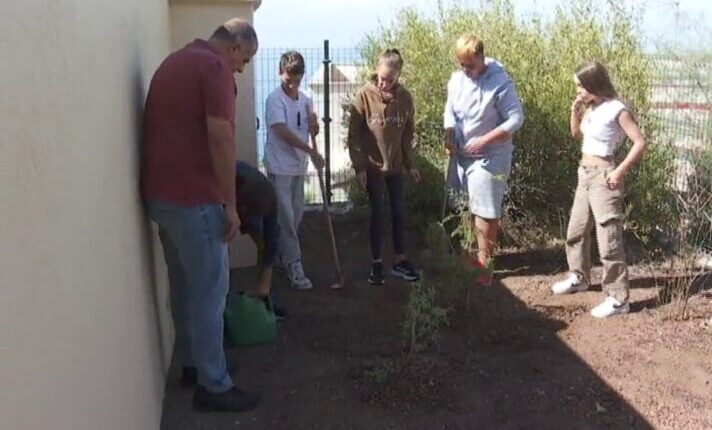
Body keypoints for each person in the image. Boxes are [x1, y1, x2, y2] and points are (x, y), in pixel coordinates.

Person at [141, 19, 260, 412]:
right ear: (234, 46)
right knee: (211, 291)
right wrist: (229, 203)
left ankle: (196, 363)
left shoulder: (174, 62)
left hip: (162, 198)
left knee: (185, 287)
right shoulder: (214, 69)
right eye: (243, 60)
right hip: (195, 202)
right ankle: (214, 384)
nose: (241, 69)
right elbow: (221, 136)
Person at [551, 61, 646, 318]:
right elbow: (576, 135)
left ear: (594, 84)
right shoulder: (591, 107)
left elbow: (639, 142)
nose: (578, 90)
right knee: (576, 230)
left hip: (605, 177)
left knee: (609, 240)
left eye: (581, 86)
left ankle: (618, 299)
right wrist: (575, 111)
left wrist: (618, 172)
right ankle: (578, 277)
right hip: (585, 174)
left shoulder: (617, 109)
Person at [443, 34, 525, 286]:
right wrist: (449, 130)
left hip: (490, 155)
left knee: (485, 210)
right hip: (460, 154)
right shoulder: (457, 80)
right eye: (462, 65)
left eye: (470, 65)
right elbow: (450, 109)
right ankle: (468, 257)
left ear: (481, 57)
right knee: (462, 205)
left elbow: (516, 118)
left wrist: (486, 139)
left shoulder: (499, 82)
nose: (466, 70)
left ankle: (484, 264)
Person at [347, 48, 422, 285]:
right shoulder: (364, 96)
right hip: (373, 167)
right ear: (376, 72)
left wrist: (411, 164)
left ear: (398, 76)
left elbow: (408, 134)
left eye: (390, 80)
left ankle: (400, 260)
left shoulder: (405, 98)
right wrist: (359, 167)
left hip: (396, 166)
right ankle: (376, 263)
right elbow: (354, 135)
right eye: (381, 78)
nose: (384, 84)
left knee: (399, 212)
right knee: (378, 214)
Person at [263, 51, 324, 290]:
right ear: (281, 73)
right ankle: (295, 265)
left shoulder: (306, 99)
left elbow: (312, 129)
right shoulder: (274, 100)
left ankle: (278, 254)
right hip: (280, 166)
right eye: (289, 80)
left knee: (296, 214)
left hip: (299, 166)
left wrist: (315, 125)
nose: (292, 85)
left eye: (297, 81)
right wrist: (310, 150)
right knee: (286, 217)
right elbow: (281, 131)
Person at [234, 160, 287, 320]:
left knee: (266, 246)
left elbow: (270, 244)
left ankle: (265, 294)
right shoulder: (229, 186)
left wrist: (263, 290)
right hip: (219, 190)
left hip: (249, 195)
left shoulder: (270, 198)